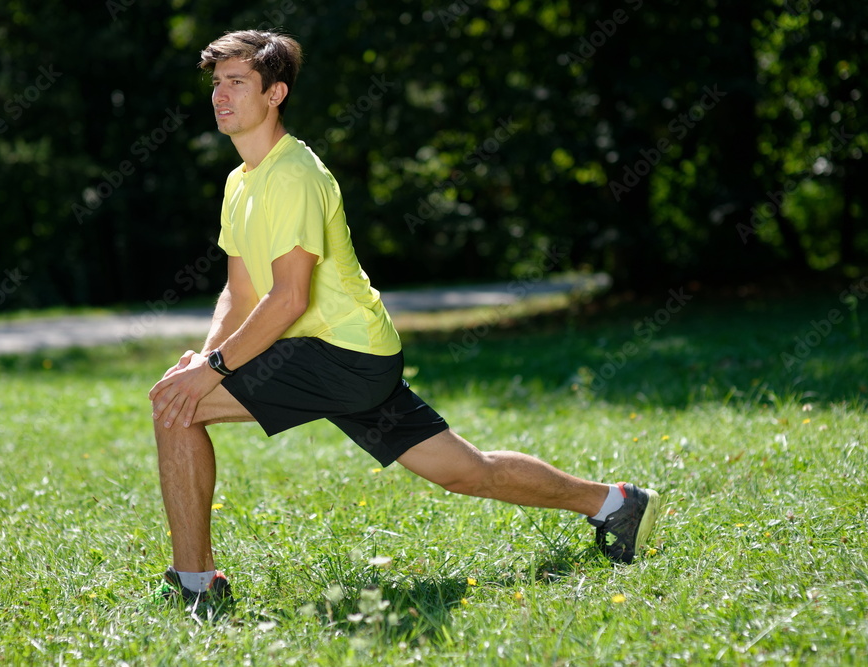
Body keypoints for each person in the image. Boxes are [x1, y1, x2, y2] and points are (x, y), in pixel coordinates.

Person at [148, 29, 661, 611]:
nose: (220, 95)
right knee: (466, 471)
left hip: (338, 354)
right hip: (347, 354)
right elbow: (239, 291)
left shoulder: (294, 175)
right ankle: (617, 503)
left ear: (275, 93)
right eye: (217, 83)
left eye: (237, 82)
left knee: (176, 410)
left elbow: (288, 300)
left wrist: (209, 374)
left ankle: (195, 584)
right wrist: (203, 358)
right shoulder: (240, 182)